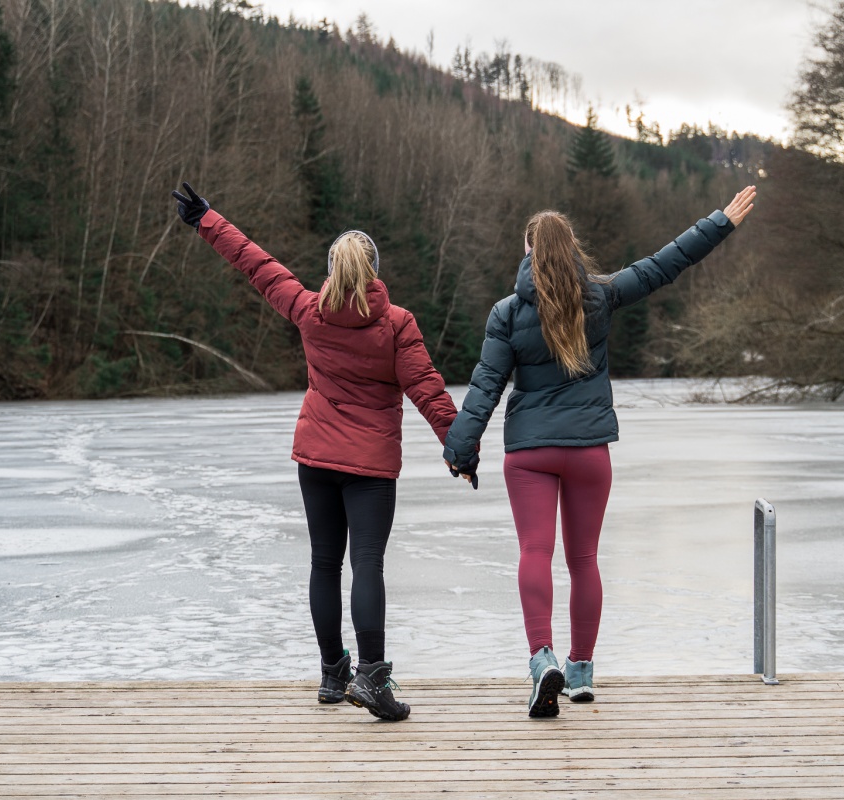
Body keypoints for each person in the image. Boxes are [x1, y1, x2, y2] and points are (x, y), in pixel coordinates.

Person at [442, 187, 757, 717]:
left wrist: (461, 448)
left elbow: (485, 385)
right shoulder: (602, 296)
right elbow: (665, 263)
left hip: (530, 451)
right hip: (588, 450)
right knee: (584, 559)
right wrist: (719, 223)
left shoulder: (507, 313)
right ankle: (581, 670)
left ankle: (542, 660)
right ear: (572, 249)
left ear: (527, 251)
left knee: (534, 553)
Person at [172, 182, 459, 721]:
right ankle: (371, 677)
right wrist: (460, 447)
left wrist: (207, 219)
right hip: (370, 466)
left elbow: (257, 265)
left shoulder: (309, 310)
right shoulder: (397, 323)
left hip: (316, 461)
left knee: (324, 563)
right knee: (366, 563)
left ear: (332, 269)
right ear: (373, 271)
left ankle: (333, 673)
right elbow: (427, 388)